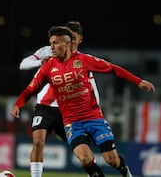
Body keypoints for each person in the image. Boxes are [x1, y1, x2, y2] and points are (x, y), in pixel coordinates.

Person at [10, 26, 155, 177]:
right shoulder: (48, 67)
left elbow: (112, 68)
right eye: (51, 43)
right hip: (72, 123)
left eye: (55, 43)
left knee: (111, 160)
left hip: (94, 118)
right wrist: (18, 104)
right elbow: (30, 89)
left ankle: (123, 167)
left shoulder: (84, 60)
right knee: (85, 158)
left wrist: (138, 82)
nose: (51, 47)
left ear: (67, 44)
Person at [15, 21, 101, 177]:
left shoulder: (81, 61)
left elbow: (92, 88)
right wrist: (40, 62)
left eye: (74, 39)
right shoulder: (48, 51)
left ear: (79, 39)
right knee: (38, 141)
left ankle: (93, 173)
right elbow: (23, 64)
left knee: (83, 153)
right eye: (69, 37)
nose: (71, 42)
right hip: (44, 107)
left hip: (68, 112)